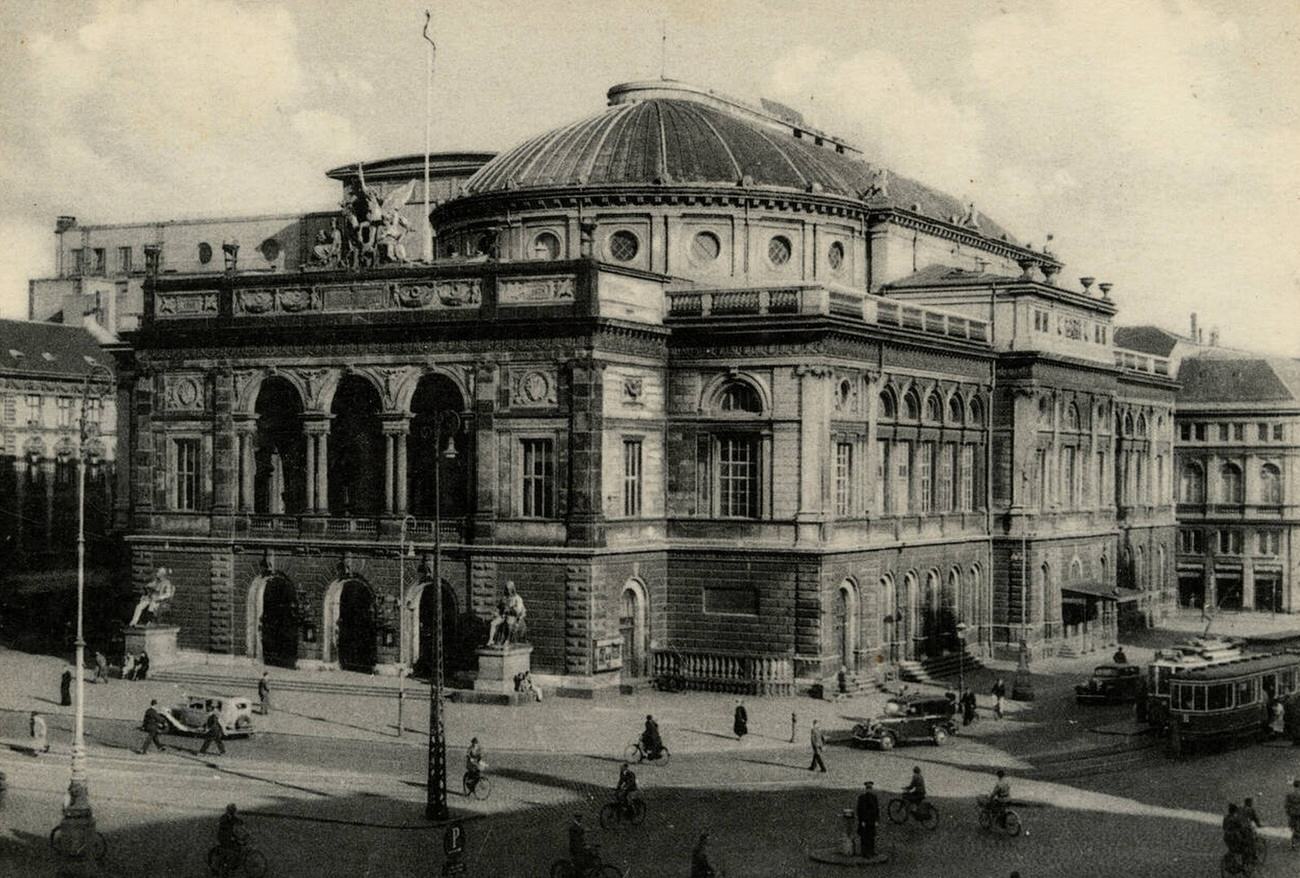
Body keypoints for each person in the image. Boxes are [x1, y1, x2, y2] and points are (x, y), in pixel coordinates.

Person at [216, 803, 246, 871]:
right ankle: (228, 864)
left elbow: (237, 821)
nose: (234, 812)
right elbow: (235, 822)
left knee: (237, 845)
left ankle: (233, 863)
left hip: (227, 835)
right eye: (233, 810)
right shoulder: (227, 817)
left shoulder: (228, 817)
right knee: (233, 848)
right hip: (224, 837)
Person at [856, 780, 880, 858]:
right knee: (864, 837)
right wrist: (862, 820)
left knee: (872, 836)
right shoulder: (862, 798)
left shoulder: (874, 797)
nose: (869, 789)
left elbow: (877, 809)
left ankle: (871, 851)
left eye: (870, 788)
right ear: (866, 789)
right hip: (865, 820)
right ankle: (865, 852)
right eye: (868, 788)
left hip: (872, 820)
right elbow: (860, 810)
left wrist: (877, 820)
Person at [1284, 778, 1300, 851]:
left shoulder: (1289, 794)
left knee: (1293, 828)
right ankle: (1296, 843)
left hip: (1292, 813)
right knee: (1298, 828)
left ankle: (1293, 844)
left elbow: (1286, 805)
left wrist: (1288, 812)